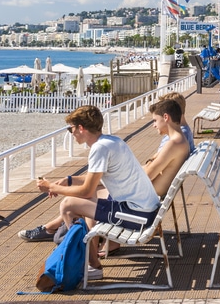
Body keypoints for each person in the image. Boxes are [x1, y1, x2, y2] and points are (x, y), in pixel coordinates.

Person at [23, 105, 161, 280]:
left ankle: (89, 262)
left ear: (81, 128)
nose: (71, 133)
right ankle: (91, 257)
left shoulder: (99, 149)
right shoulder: (113, 142)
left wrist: (51, 187)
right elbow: (94, 181)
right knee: (91, 198)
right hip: (144, 209)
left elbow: (87, 190)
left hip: (137, 216)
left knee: (67, 205)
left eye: (70, 129)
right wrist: (69, 180)